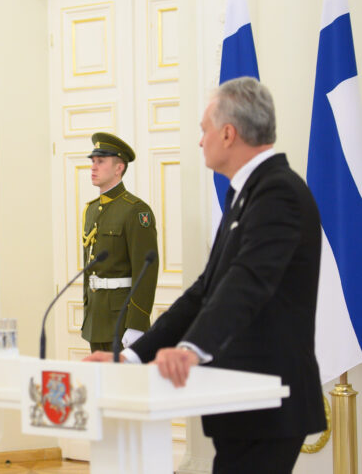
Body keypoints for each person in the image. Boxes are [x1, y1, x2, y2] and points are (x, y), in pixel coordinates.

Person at [84, 77, 326, 473]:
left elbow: (246, 283)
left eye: (204, 130)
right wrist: (130, 357)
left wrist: (190, 348)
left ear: (228, 134)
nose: (200, 141)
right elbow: (204, 292)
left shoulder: (278, 192)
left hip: (268, 398)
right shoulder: (244, 194)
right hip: (240, 399)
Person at [82, 132, 159, 352]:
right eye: (93, 162)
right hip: (96, 319)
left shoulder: (135, 210)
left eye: (101, 162)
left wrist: (137, 324)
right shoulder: (90, 210)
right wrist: (88, 311)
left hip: (122, 320)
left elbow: (146, 270)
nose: (93, 168)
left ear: (119, 168)